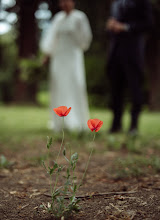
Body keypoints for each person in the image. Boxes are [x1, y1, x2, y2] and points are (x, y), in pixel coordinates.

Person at [41, 0, 92, 131]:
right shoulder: (58, 18)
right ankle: (59, 122)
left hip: (73, 57)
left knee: (74, 84)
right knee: (59, 86)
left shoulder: (80, 17)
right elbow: (52, 37)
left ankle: (76, 121)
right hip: (58, 57)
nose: (64, 4)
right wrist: (47, 54)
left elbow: (85, 41)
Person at [106, 0, 153, 134]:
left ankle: (134, 125)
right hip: (115, 52)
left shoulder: (142, 3)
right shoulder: (115, 3)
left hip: (133, 52)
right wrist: (111, 26)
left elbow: (148, 24)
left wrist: (125, 27)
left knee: (135, 89)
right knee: (116, 90)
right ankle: (116, 124)